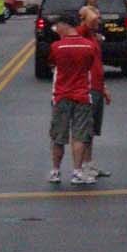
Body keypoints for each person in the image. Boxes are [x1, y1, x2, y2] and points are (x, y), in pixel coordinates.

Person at [46, 13, 97, 186]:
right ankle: (77, 171)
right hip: (82, 95)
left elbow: (52, 64)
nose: (55, 29)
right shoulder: (89, 47)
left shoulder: (56, 47)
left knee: (58, 135)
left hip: (61, 95)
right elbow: (89, 66)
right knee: (79, 136)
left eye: (57, 26)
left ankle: (55, 171)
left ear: (65, 25)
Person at [77, 4, 111, 179]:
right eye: (96, 18)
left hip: (97, 86)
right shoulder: (80, 34)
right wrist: (90, 11)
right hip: (87, 88)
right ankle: (81, 167)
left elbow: (97, 64)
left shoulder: (93, 37)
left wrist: (104, 88)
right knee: (85, 129)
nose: (98, 21)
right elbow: (88, 18)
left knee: (92, 130)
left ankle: (89, 164)